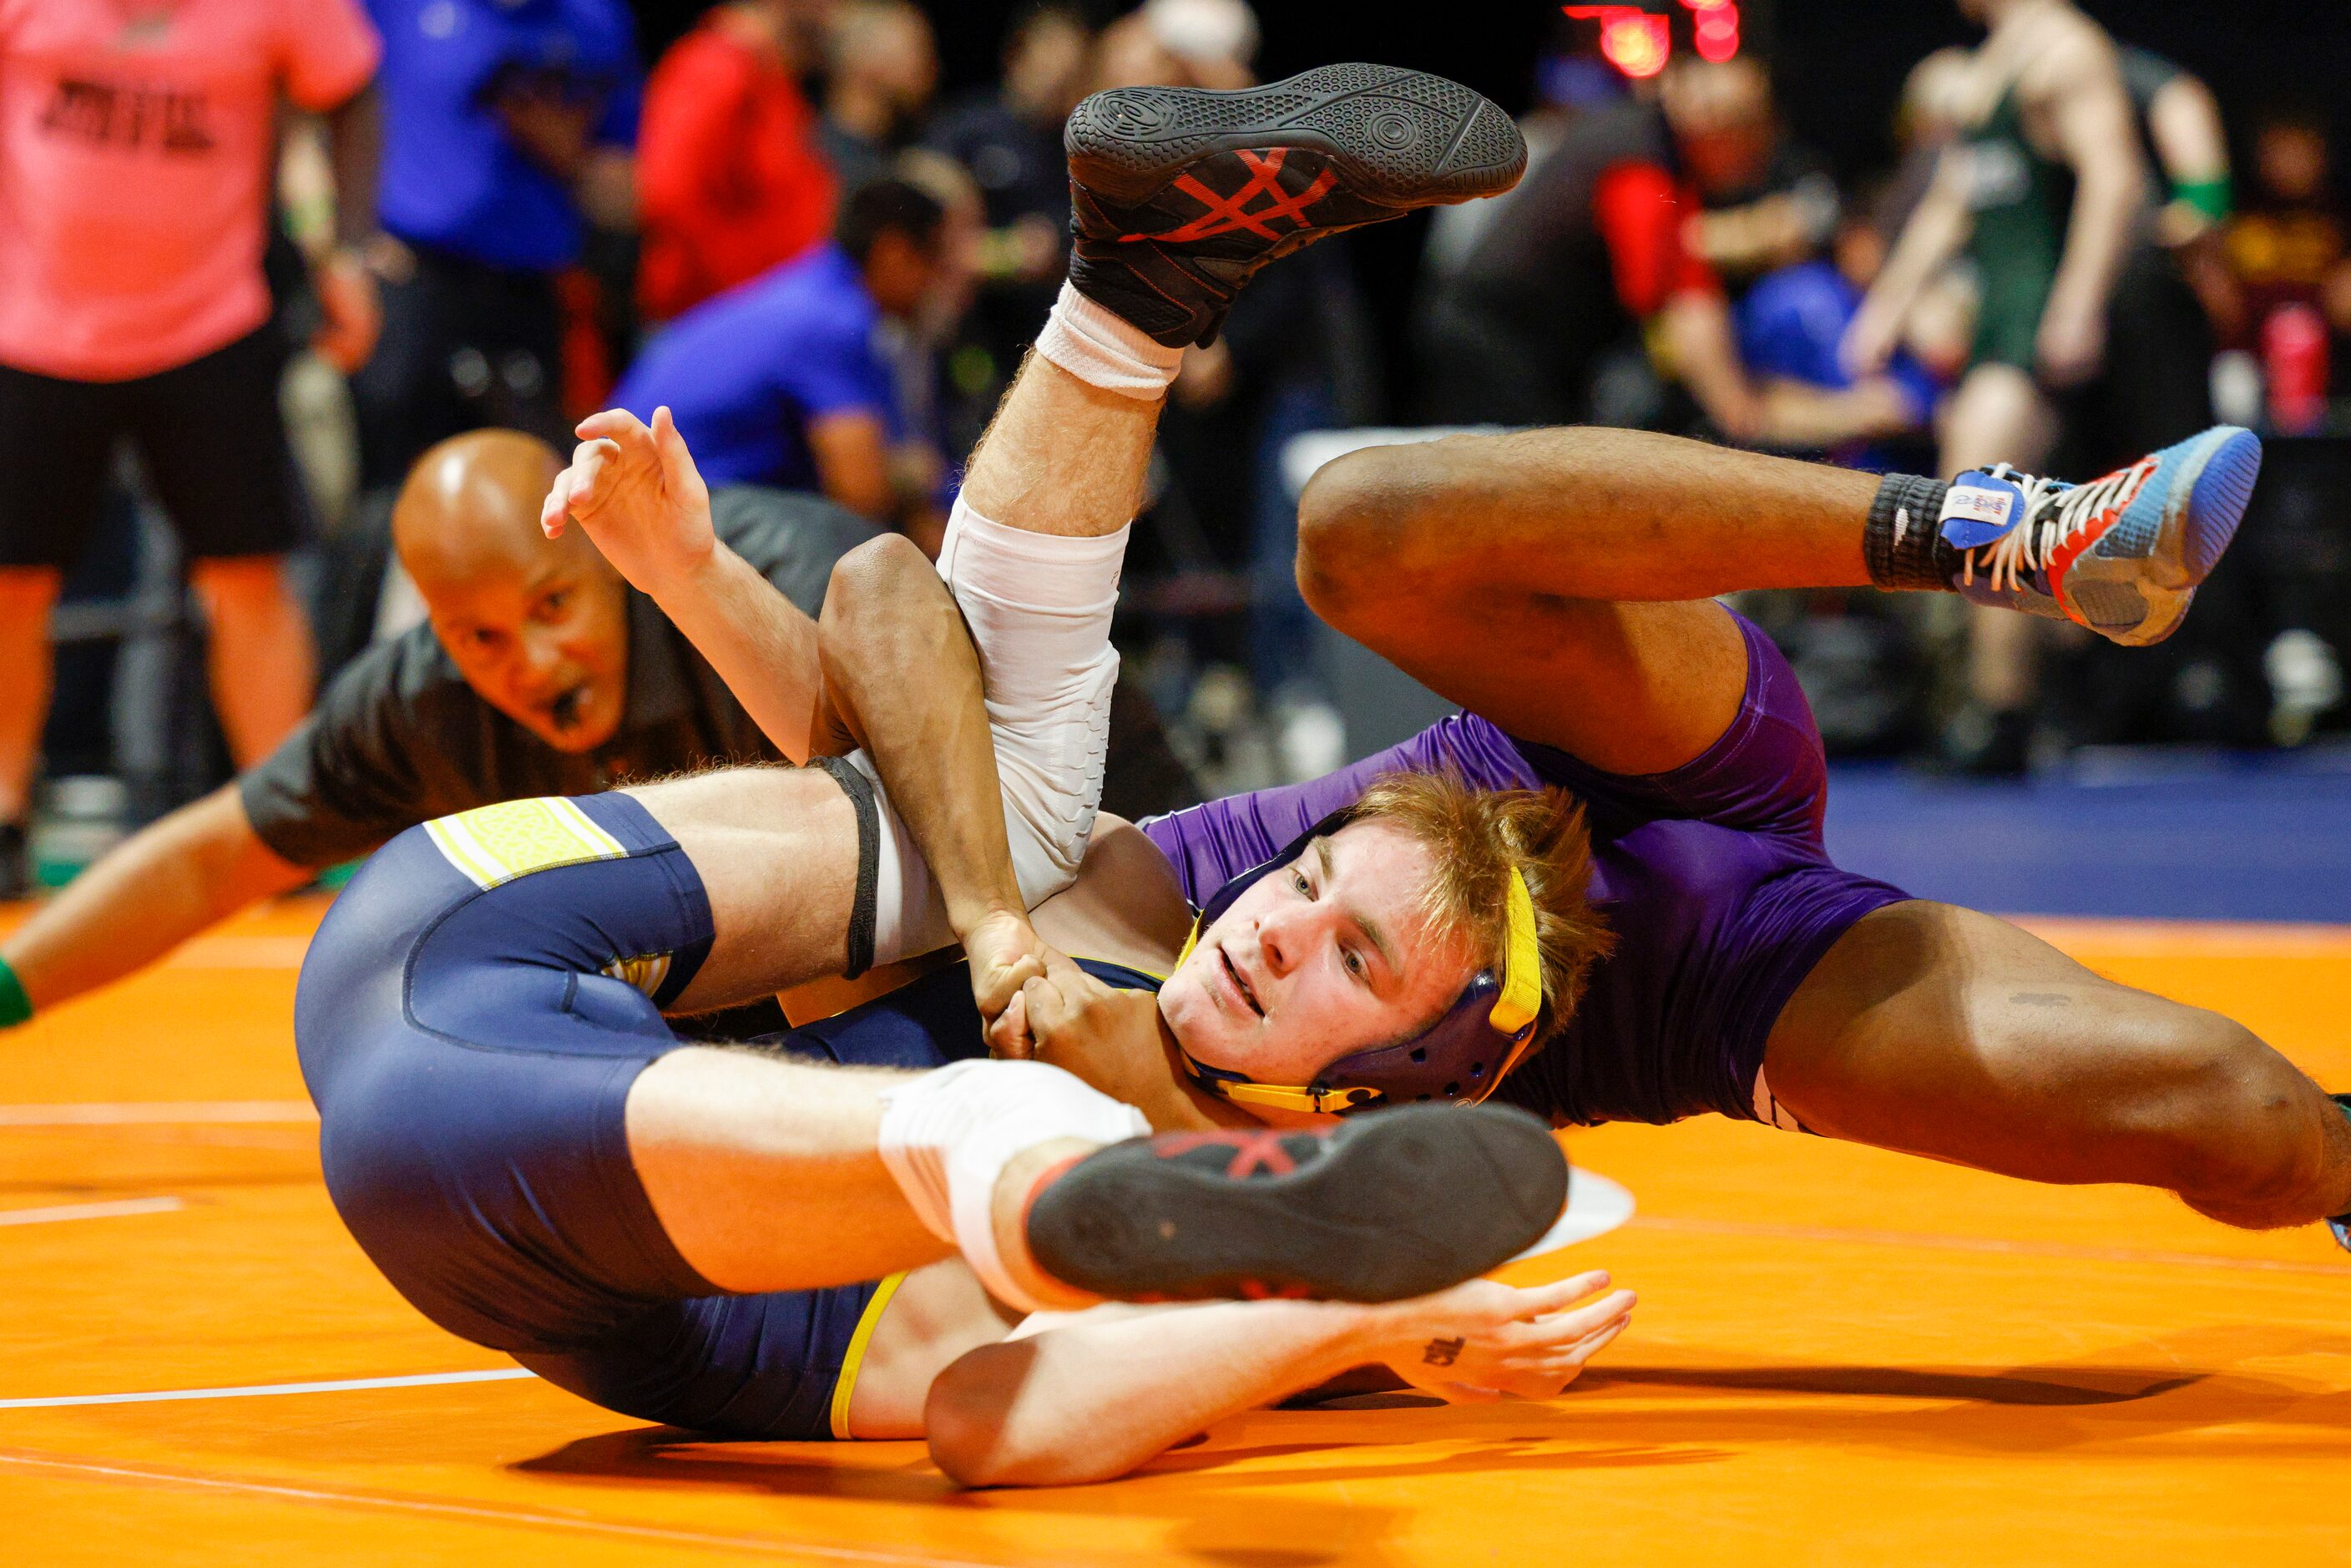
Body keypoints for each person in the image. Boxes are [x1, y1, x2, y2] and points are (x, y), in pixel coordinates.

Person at [294, 62, 1579, 1485]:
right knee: (1018, 826)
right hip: (476, 948)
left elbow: (984, 1419)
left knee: (1015, 976)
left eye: (1352, 952)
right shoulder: (1107, 914)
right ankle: (1135, 294)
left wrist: (1341, 1319)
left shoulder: (1225, 1277)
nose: (1276, 916)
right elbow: (882, 590)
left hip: (493, 1169)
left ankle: (1125, 304)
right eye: (1310, 875)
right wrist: (988, 919)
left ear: (1394, 1083)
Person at [0, 431, 861, 1029]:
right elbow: (210, 861)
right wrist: (7, 988)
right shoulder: (417, 703)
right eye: (477, 636)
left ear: (605, 551)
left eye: (550, 607)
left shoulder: (782, 577)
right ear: (434, 627)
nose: (527, 663)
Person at [0, 0, 385, 896]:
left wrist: (349, 253)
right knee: (11, 585)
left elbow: (354, 92)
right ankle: (5, 815)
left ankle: (285, 819)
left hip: (212, 327)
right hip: (32, 327)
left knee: (246, 575)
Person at [1847, 0, 2148, 771]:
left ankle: (2003, 705)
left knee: (1986, 495)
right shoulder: (1991, 61)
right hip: (2000, 317)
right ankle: (2024, 690)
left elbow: (2115, 177)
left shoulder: (2066, 47)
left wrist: (2079, 302)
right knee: (1985, 499)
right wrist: (1887, 305)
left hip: (2036, 314)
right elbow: (1954, 196)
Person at [351, 0, 640, 489]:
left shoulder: (595, 19)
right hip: (412, 272)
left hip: (534, 284)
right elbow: (318, 89)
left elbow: (626, 177)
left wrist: (561, 140)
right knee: (394, 473)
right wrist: (346, 237)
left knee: (534, 480)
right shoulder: (393, 8)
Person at [614, 178, 959, 535]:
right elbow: (862, 495)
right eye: (937, 261)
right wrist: (914, 478)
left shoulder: (815, 289)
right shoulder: (834, 321)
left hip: (644, 492)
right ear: (894, 253)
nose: (942, 283)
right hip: (658, 512)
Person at [635, 0, 837, 324]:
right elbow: (670, 194)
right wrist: (749, 293)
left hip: (760, 319)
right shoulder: (714, 66)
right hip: (712, 324)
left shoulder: (773, 75)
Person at [817, 0, 936, 195]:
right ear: (869, 63)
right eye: (918, 51)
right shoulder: (817, 161)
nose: (930, 69)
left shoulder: (894, 152)